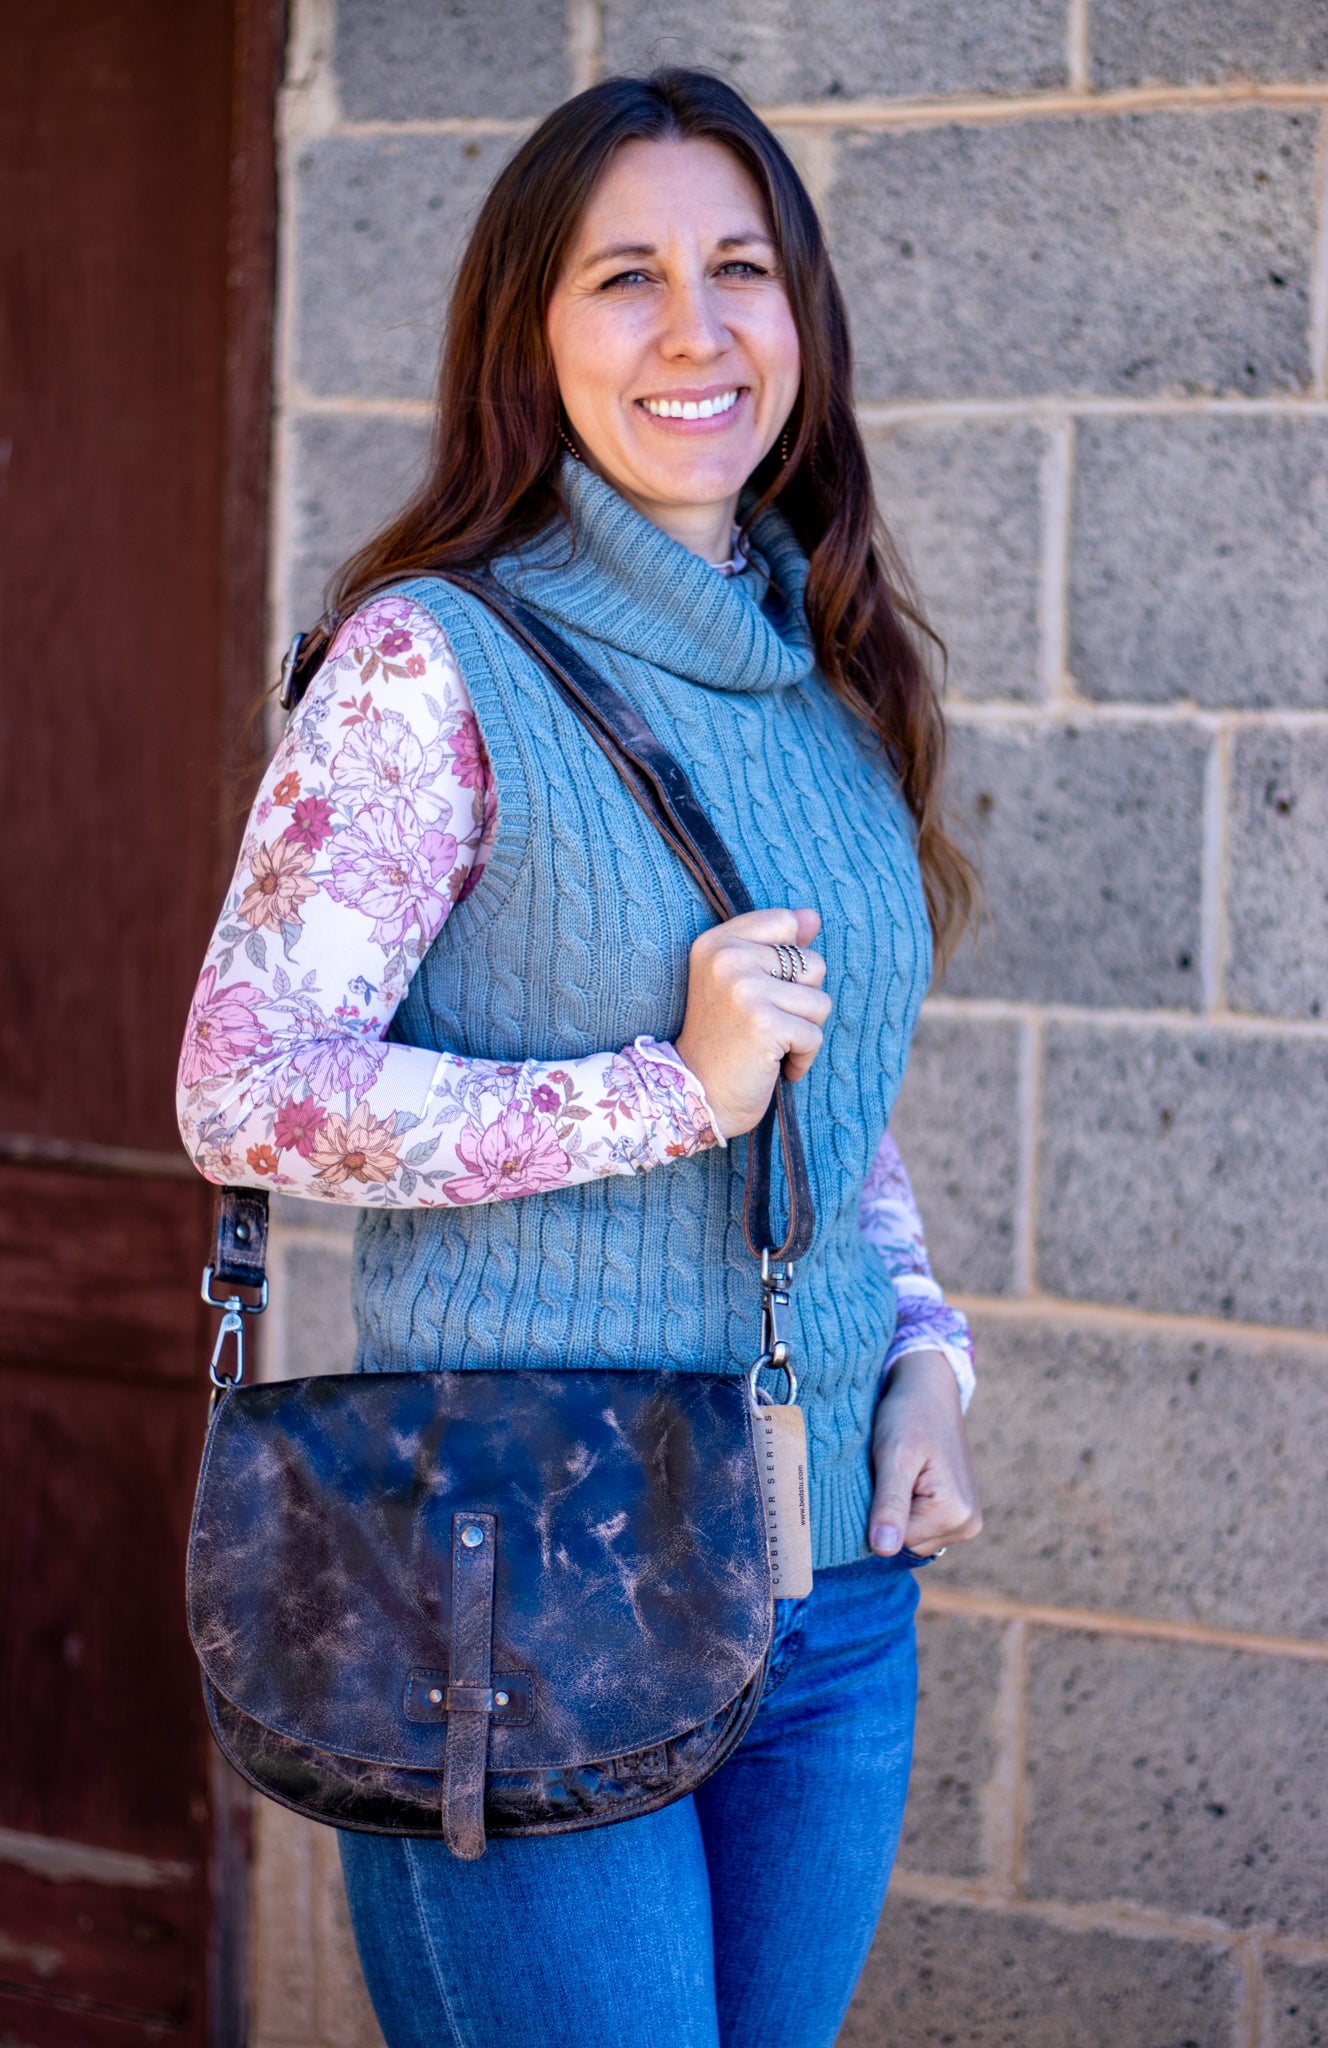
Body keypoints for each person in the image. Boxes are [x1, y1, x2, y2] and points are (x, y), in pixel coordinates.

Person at [177, 66, 981, 2048]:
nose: (694, 330)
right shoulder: (433, 661)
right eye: (626, 278)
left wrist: (922, 1350)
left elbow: (827, 1094)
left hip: (834, 1582)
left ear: (800, 311)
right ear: (528, 335)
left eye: (738, 269)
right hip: (525, 1573)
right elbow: (242, 1081)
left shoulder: (829, 677)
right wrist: (661, 1092)